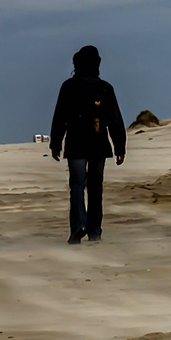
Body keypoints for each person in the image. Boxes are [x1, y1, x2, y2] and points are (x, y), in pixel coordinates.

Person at [50, 45, 125, 244]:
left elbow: (60, 117)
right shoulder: (105, 88)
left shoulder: (69, 86)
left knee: (76, 185)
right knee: (95, 187)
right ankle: (94, 231)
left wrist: (55, 142)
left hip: (76, 143)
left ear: (76, 64)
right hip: (99, 143)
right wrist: (120, 147)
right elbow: (115, 120)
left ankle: (78, 225)